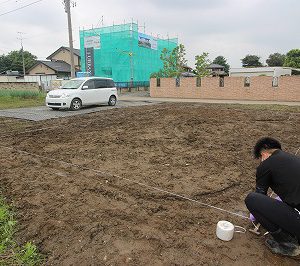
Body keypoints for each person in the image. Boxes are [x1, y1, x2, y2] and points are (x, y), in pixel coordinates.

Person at [245, 137, 300, 257]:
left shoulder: (265, 165)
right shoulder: (295, 159)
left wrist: (255, 216)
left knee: (252, 199)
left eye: (260, 159)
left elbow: (259, 196)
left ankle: (288, 244)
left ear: (263, 154)